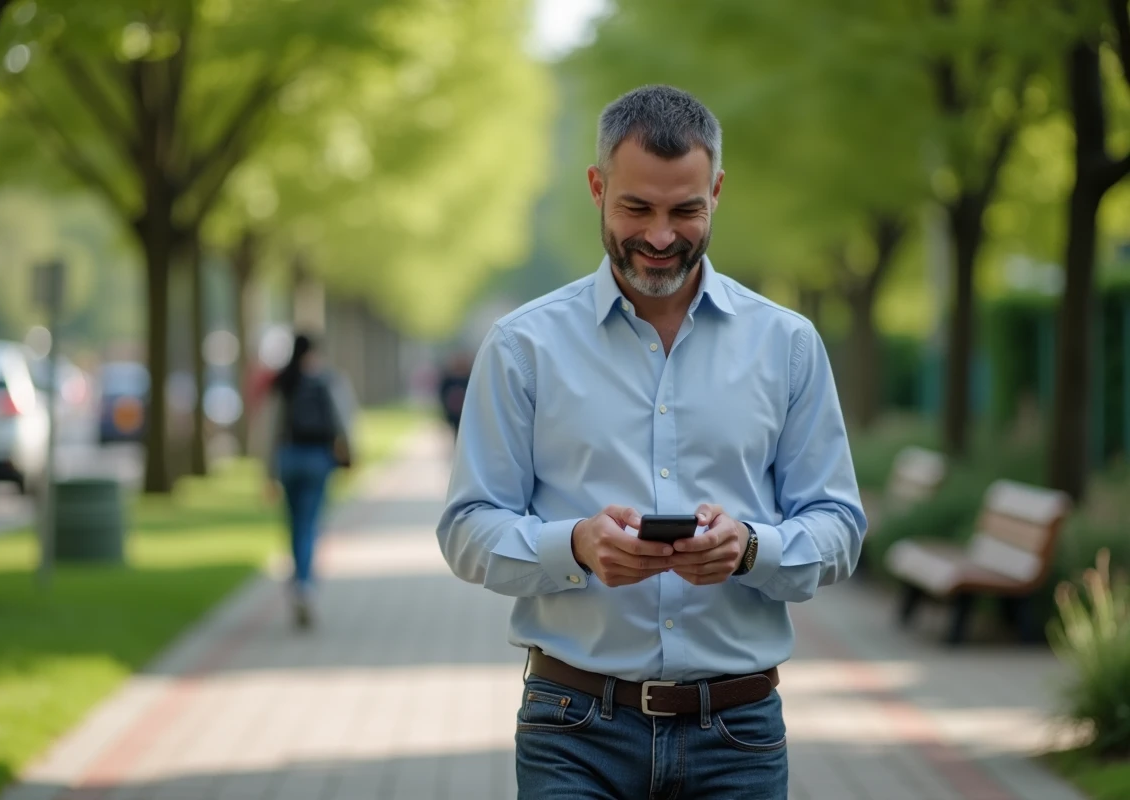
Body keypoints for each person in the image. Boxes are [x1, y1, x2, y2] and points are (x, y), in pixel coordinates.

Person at [437, 85, 866, 799]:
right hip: (572, 730)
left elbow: (841, 526)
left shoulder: (787, 345)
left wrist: (752, 548)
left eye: (685, 209)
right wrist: (575, 545)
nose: (661, 236)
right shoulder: (524, 346)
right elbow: (467, 528)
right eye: (637, 208)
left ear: (717, 191)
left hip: (738, 736)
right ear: (598, 187)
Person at [266, 333, 356, 629]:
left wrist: (267, 472)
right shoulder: (327, 379)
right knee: (310, 524)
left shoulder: (283, 382)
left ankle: (298, 579)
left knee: (294, 525)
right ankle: (305, 584)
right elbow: (344, 418)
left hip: (288, 459)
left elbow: (269, 429)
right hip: (318, 460)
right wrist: (350, 453)